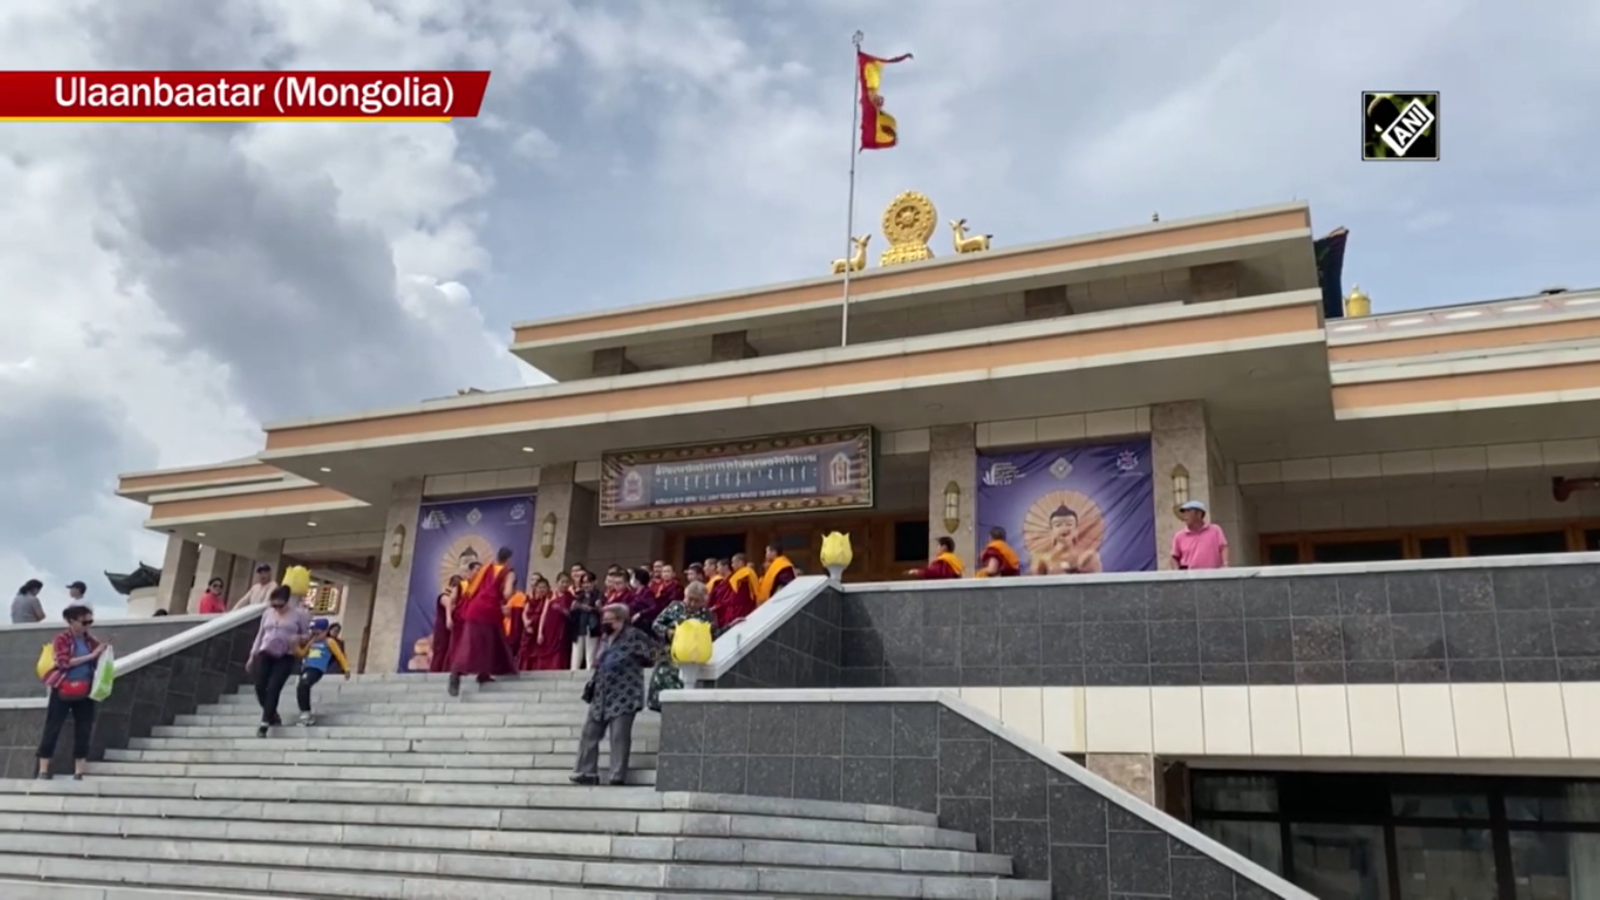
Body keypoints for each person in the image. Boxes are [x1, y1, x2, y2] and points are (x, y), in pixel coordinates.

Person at [571, 603, 654, 786]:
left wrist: (640, 659)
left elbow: (653, 653)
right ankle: (585, 771)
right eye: (604, 620)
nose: (606, 623)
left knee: (619, 736)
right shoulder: (605, 639)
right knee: (589, 732)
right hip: (601, 693)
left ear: (621, 620)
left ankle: (617, 774)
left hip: (625, 694)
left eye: (610, 620)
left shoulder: (634, 636)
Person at [36, 604, 109, 780]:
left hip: (85, 689)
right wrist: (91, 656)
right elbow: (63, 662)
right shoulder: (62, 639)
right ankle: (43, 769)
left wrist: (103, 652)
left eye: (90, 621)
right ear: (71, 621)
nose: (87, 625)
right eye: (84, 622)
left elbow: (99, 660)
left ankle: (79, 770)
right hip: (63, 687)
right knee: (53, 727)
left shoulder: (90, 640)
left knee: (84, 729)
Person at [448, 546, 518, 697]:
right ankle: (456, 673)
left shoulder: (486, 568)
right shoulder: (508, 572)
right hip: (490, 609)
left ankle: (483, 674)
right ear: (509, 559)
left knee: (479, 642)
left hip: (475, 608)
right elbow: (506, 594)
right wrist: (512, 594)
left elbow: (473, 588)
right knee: (483, 643)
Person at [247, 586, 310, 737]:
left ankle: (264, 723)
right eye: (274, 605)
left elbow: (308, 635)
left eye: (280, 605)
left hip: (286, 654)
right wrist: (252, 655)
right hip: (266, 651)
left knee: (274, 687)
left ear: (287, 602)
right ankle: (272, 713)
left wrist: (299, 638)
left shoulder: (298, 615)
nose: (277, 608)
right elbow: (261, 634)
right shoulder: (268, 613)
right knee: (260, 686)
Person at [649, 580, 716, 711]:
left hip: (692, 660)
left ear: (703, 601)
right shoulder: (675, 607)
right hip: (669, 659)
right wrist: (668, 632)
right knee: (666, 701)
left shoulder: (707, 614)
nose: (692, 604)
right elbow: (656, 624)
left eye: (696, 601)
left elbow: (713, 633)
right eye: (689, 599)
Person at [294, 617, 350, 725]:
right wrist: (295, 646)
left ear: (325, 631)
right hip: (307, 667)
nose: (315, 635)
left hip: (317, 668)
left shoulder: (329, 642)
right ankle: (305, 711)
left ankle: (306, 714)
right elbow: (302, 654)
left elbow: (339, 655)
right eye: (313, 633)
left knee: (304, 684)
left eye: (318, 633)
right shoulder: (312, 642)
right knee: (301, 687)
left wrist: (346, 668)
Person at [1030, 505, 1103, 575]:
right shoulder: (1041, 559)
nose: (1064, 528)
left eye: (1069, 524)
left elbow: (1097, 581)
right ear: (1051, 532)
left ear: (1076, 531)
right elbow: (1034, 583)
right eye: (1058, 525)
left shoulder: (1087, 556)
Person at [519, 575, 570, 671]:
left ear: (548, 588)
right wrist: (526, 623)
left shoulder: (549, 599)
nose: (542, 590)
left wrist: (540, 632)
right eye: (539, 587)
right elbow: (524, 612)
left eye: (544, 587)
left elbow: (544, 614)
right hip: (529, 628)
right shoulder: (530, 598)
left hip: (543, 628)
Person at [1172, 500, 1230, 570]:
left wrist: (1225, 565)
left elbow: (1223, 547)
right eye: (1184, 512)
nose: (1185, 515)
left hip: (1212, 575)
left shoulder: (1215, 530)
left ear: (1199, 514)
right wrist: (1177, 572)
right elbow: (1174, 557)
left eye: (1188, 511)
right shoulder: (1179, 536)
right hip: (1189, 577)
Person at [428, 575, 461, 674]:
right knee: (441, 650)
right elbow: (448, 608)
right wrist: (449, 619)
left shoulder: (457, 600)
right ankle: (434, 674)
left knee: (449, 651)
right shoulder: (444, 596)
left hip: (451, 630)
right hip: (443, 628)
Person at [569, 569, 600, 671]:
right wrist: (574, 608)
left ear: (595, 582)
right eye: (584, 583)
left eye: (589, 582)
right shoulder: (578, 596)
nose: (586, 585)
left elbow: (601, 610)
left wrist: (588, 608)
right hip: (578, 628)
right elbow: (572, 612)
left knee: (590, 656)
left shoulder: (599, 595)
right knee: (576, 656)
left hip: (592, 627)